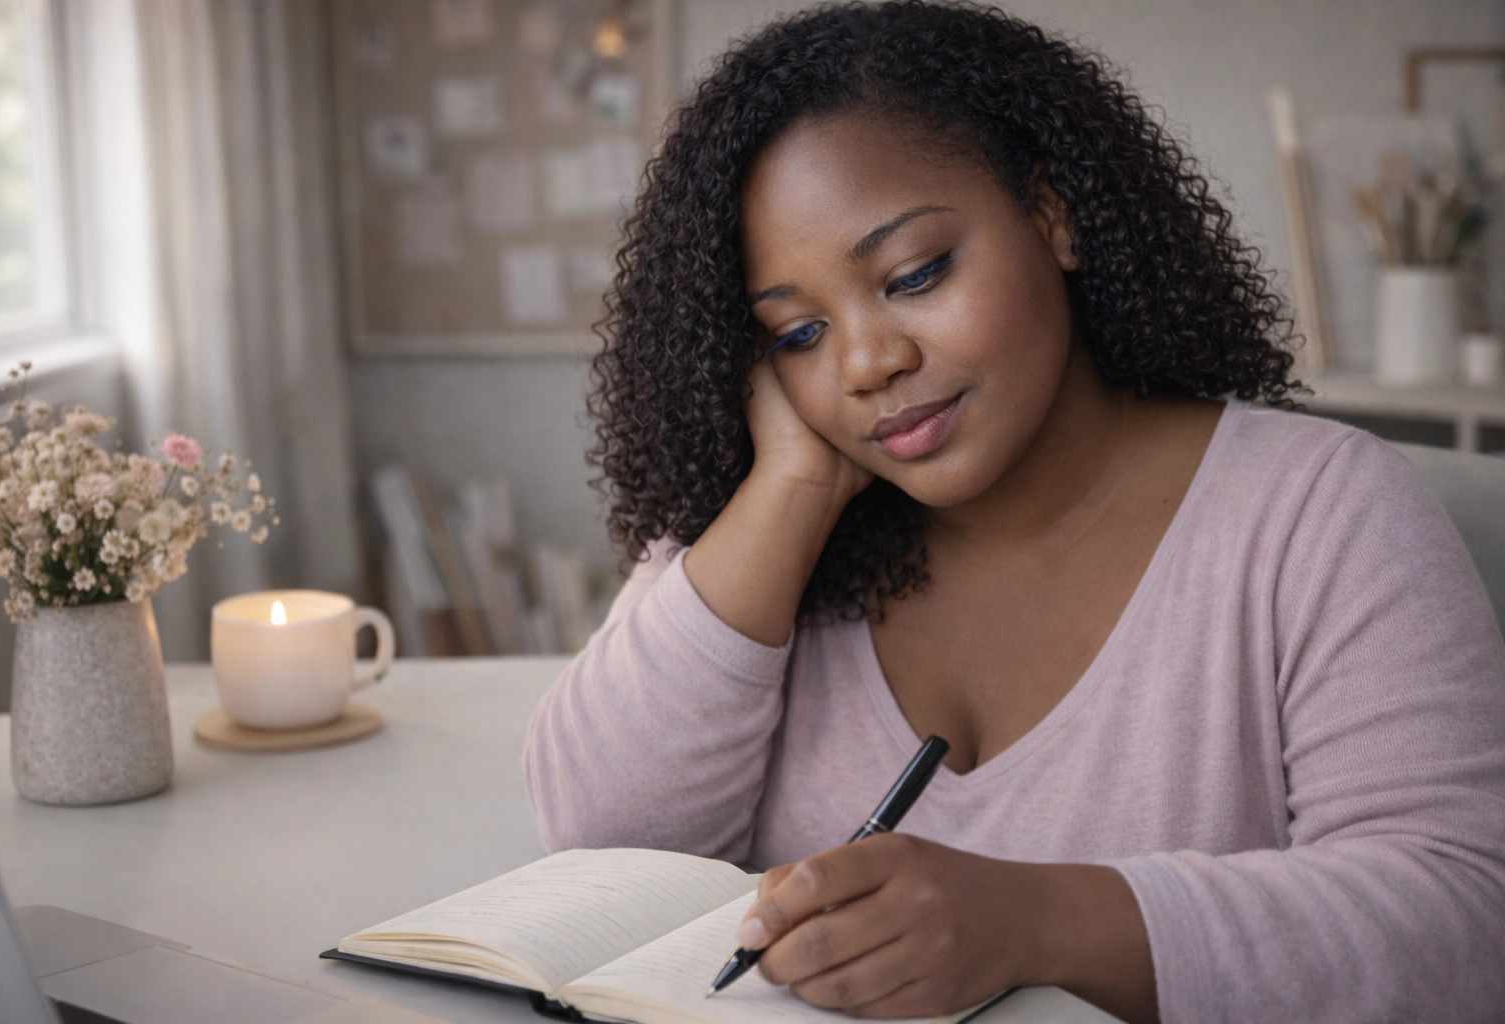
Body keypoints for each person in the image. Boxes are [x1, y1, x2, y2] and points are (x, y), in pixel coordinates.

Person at [522, 3, 1505, 1021]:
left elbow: (1469, 921)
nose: (867, 363)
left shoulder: (1320, 513)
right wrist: (791, 491)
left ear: (1053, 216)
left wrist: (1037, 921)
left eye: (914, 275)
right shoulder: (780, 523)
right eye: (799, 333)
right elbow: (601, 841)